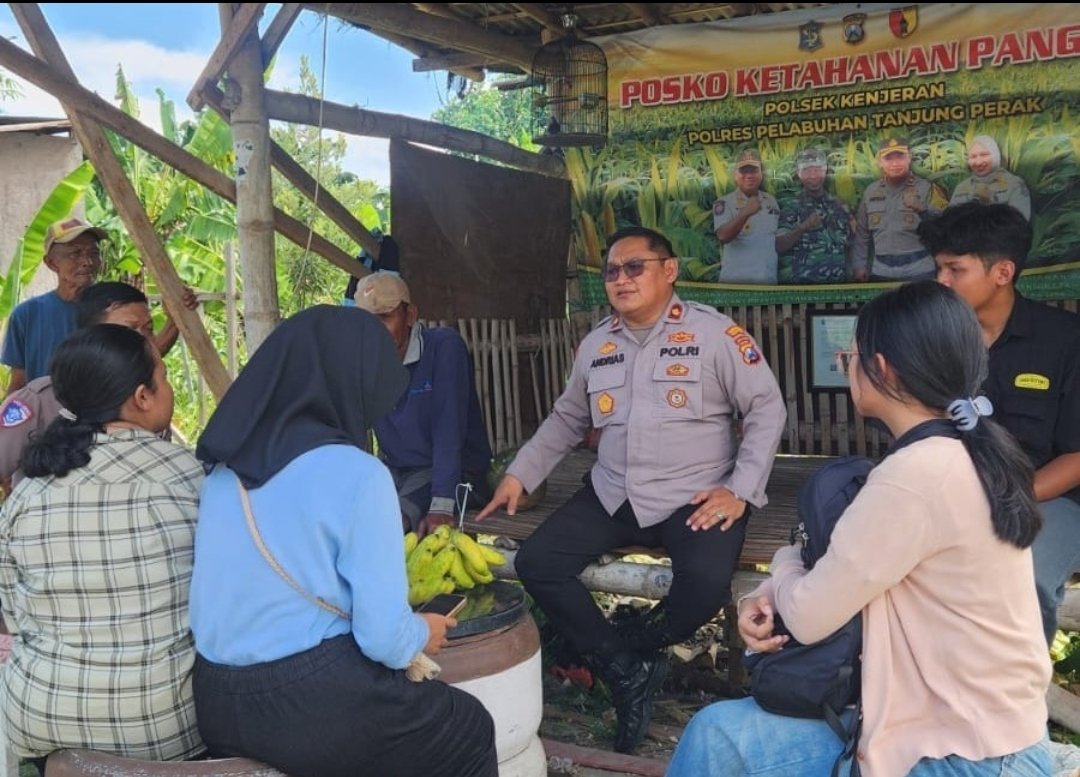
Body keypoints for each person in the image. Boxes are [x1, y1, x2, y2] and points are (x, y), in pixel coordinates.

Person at [667, 281, 1050, 777]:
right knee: (719, 735)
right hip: (992, 738)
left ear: (881, 368)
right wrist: (765, 593)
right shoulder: (968, 453)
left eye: (853, 353)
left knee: (717, 737)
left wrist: (783, 564)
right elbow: (852, 581)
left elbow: (805, 617)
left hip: (958, 757)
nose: (849, 363)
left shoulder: (915, 475)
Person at [478, 226, 786, 754]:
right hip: (614, 491)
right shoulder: (597, 343)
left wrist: (740, 489)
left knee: (703, 591)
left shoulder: (715, 335)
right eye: (613, 271)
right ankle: (625, 670)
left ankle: (631, 650)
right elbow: (568, 417)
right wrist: (521, 473)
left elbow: (766, 408)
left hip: (694, 493)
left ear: (668, 271)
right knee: (538, 563)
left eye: (634, 266)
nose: (621, 279)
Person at [188, 306, 497, 777]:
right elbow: (384, 640)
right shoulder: (358, 474)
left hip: (217, 700)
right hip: (309, 702)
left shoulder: (223, 472)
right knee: (468, 727)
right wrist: (423, 631)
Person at [0, 324, 204, 767]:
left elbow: (15, 618)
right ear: (142, 397)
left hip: (40, 713)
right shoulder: (186, 475)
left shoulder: (28, 494)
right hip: (160, 723)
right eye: (163, 377)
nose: (166, 387)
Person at [920, 201, 1080, 643]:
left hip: (1049, 499)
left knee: (1019, 581)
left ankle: (1016, 706)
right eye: (940, 269)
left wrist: (1010, 499)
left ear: (1002, 273)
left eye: (955, 270)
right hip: (955, 494)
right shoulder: (938, 340)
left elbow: (1077, 455)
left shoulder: (1065, 341)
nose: (942, 282)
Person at [353, 272, 493, 537]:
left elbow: (448, 429)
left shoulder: (443, 347)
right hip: (398, 472)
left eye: (385, 317)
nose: (374, 331)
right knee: (354, 518)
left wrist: (441, 504)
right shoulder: (364, 363)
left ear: (410, 315)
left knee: (393, 523)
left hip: (454, 474)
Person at [0, 282, 162, 488]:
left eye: (148, 329)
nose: (141, 339)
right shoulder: (40, 399)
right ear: (91, 335)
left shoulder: (151, 398)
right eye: (130, 329)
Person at [1, 217, 106, 394]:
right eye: (75, 253)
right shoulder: (26, 314)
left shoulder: (113, 310)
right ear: (51, 263)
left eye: (94, 253)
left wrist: (171, 324)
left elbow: (141, 361)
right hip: (44, 418)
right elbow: (19, 382)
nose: (87, 262)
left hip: (99, 418)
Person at [851, 136, 947, 282]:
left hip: (919, 270)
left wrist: (923, 209)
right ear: (880, 162)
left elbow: (944, 228)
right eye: (888, 158)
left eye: (900, 157)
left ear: (909, 158)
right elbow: (862, 234)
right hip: (882, 271)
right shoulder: (871, 192)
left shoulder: (926, 188)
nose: (895, 163)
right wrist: (859, 265)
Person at [776, 148, 853, 283]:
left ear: (825, 171)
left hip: (838, 284)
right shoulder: (791, 206)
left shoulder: (838, 205)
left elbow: (851, 242)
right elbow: (780, 245)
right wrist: (802, 228)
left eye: (817, 169)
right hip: (805, 285)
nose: (812, 175)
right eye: (806, 171)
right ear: (799, 174)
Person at [714, 148, 782, 284]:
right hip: (736, 287)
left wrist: (802, 228)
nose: (749, 175)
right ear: (735, 175)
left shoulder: (771, 201)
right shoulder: (724, 203)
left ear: (761, 174)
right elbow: (723, 236)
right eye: (744, 171)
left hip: (768, 283)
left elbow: (775, 241)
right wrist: (745, 212)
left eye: (754, 170)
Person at [949, 135, 1032, 219]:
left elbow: (1019, 223)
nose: (978, 162)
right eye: (973, 157)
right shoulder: (961, 188)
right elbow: (949, 221)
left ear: (995, 155)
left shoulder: (1014, 185)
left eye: (984, 155)